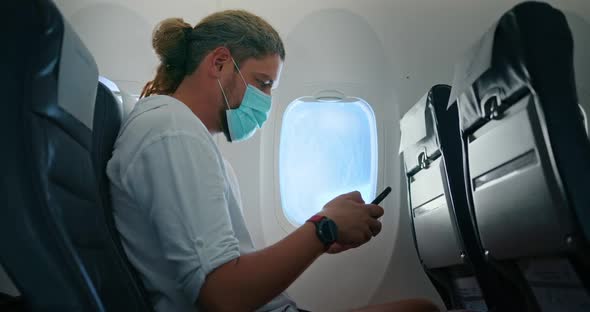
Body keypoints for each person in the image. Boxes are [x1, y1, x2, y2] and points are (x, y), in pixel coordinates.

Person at [107, 10, 439, 312]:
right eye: (262, 83)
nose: (265, 101)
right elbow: (224, 296)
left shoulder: (185, 135)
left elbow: (229, 271)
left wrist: (320, 237)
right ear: (219, 63)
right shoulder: (172, 131)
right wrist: (324, 228)